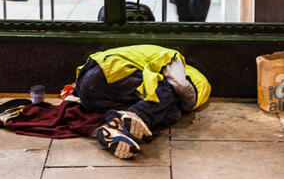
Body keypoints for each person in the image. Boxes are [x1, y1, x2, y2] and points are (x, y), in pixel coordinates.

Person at [74, 44, 211, 159]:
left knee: (171, 113)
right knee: (170, 94)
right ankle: (138, 114)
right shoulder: (175, 59)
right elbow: (180, 84)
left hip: (90, 91)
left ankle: (117, 130)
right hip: (108, 73)